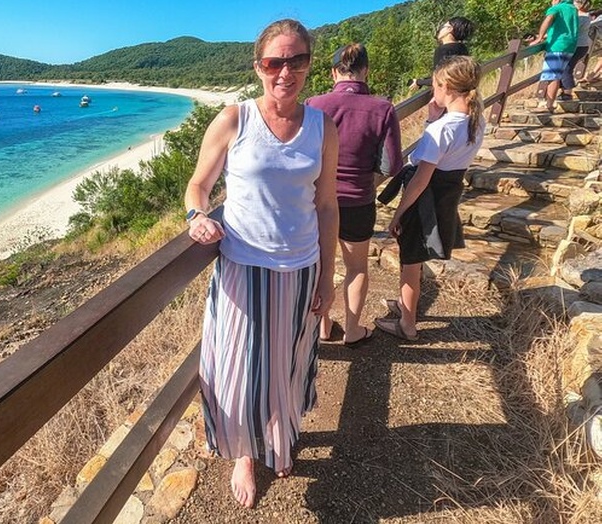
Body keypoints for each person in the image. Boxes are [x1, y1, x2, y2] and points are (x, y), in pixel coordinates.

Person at [184, 18, 338, 509]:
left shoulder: (322, 126)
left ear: (309, 66)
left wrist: (329, 276)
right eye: (275, 62)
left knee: (288, 364)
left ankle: (279, 436)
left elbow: (328, 204)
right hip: (243, 266)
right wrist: (196, 217)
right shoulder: (236, 119)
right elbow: (198, 186)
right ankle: (244, 453)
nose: (285, 72)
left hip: (302, 266)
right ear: (259, 67)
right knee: (241, 370)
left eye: (296, 61)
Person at [374, 55, 485, 341]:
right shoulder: (475, 122)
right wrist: (432, 119)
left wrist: (399, 212)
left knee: (410, 260)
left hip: (425, 198)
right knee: (418, 255)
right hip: (446, 194)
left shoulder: (443, 129)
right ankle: (404, 305)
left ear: (446, 86)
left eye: (435, 85)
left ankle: (407, 324)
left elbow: (421, 177)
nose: (431, 91)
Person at [305, 43, 403, 346]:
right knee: (357, 267)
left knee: (321, 264)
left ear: (334, 72)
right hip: (358, 201)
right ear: (366, 71)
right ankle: (352, 330)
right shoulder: (382, 108)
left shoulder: (313, 104)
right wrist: (366, 179)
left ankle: (323, 327)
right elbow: (392, 164)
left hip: (316, 202)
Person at [410, 16, 474, 122]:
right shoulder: (462, 48)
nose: (440, 29)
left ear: (450, 29)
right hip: (462, 101)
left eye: (443, 26)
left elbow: (440, 78)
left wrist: (419, 82)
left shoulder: (442, 50)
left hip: (448, 100)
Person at [528, 0, 579, 112]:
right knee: (557, 74)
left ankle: (549, 104)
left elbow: (549, 19)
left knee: (552, 76)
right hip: (570, 46)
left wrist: (540, 37)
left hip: (557, 46)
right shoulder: (572, 8)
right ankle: (549, 102)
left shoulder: (556, 8)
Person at [561, 0, 593, 97]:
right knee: (567, 67)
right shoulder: (587, 16)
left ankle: (567, 92)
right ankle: (565, 90)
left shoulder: (580, 17)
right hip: (582, 45)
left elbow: (569, 30)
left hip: (577, 46)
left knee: (566, 68)